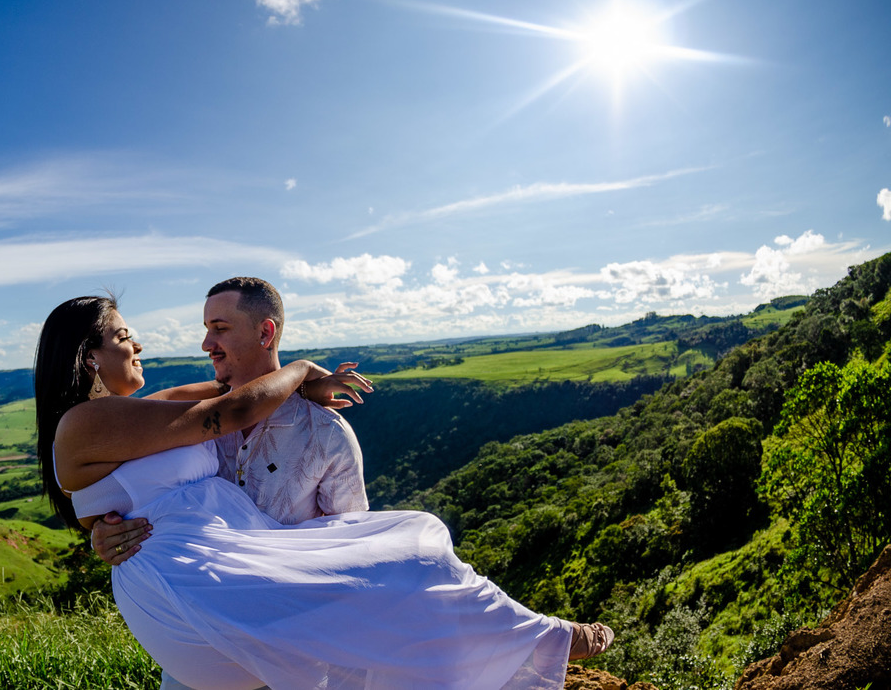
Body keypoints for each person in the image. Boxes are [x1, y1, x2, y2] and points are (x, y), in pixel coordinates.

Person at [37, 295, 614, 690]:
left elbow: (228, 392)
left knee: (405, 555)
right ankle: (542, 639)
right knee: (409, 557)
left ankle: (535, 635)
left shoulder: (135, 413)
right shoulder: (83, 423)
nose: (138, 345)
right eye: (123, 337)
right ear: (90, 357)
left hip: (216, 571)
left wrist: (299, 387)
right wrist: (304, 368)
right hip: (197, 584)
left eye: (220, 328)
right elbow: (231, 410)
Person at [90, 277, 370, 690]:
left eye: (219, 329)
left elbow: (350, 552)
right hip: (195, 657)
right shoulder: (186, 422)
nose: (206, 344)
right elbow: (138, 494)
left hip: (287, 659)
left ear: (265, 332)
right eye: (206, 329)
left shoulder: (325, 434)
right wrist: (104, 531)